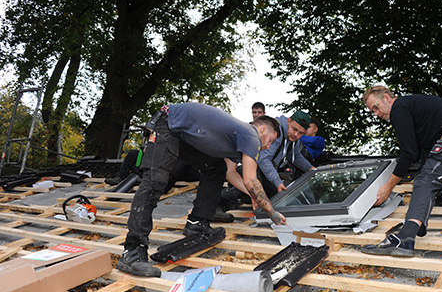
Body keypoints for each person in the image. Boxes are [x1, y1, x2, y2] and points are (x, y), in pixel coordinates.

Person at [117, 103, 285, 277]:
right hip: (167, 125)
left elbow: (230, 173)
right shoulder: (251, 135)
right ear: (263, 129)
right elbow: (251, 179)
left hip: (180, 135)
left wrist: (254, 197)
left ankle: (197, 224)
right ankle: (132, 252)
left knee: (216, 168)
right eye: (270, 141)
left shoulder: (236, 136)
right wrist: (271, 212)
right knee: (155, 182)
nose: (267, 147)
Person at [360, 86, 442, 257]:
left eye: (375, 107)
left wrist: (388, 186)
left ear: (387, 98)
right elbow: (424, 158)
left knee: (424, 180)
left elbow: (408, 153)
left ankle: (405, 238)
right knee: (427, 171)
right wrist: (439, 197)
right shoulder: (417, 115)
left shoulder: (399, 107)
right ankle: (439, 203)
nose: (375, 114)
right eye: (371, 112)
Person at [218, 110, 314, 212]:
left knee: (273, 195)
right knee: (256, 188)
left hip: (264, 170)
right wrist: (277, 182)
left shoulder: (292, 139)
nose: (296, 134)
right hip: (250, 167)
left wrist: (311, 169)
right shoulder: (277, 132)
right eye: (294, 129)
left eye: (301, 133)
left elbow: (296, 157)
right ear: (288, 121)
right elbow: (263, 160)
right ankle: (219, 203)